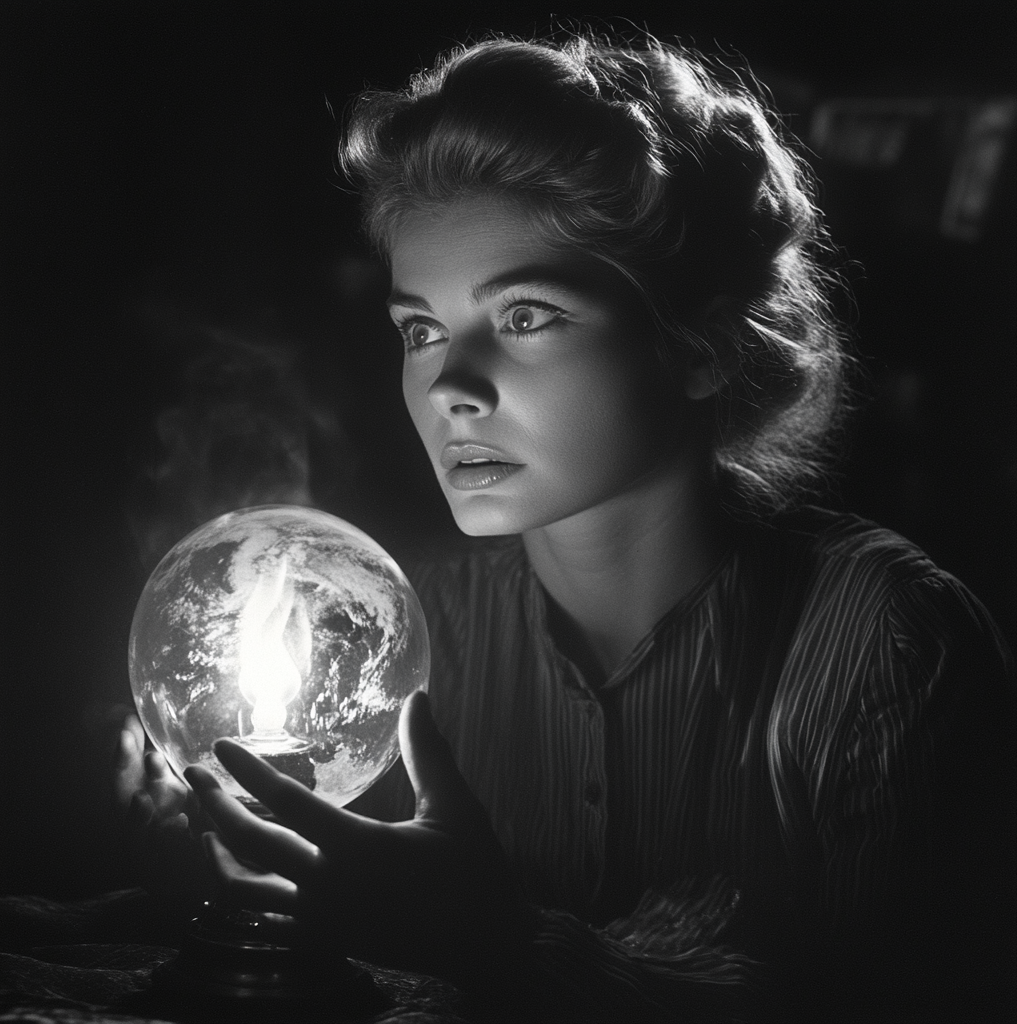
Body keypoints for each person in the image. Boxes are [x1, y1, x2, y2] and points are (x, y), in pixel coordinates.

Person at [114, 33, 1014, 1022]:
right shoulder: (401, 651)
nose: (450, 386)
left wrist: (497, 942)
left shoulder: (883, 649)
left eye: (526, 315)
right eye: (420, 328)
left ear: (703, 345)